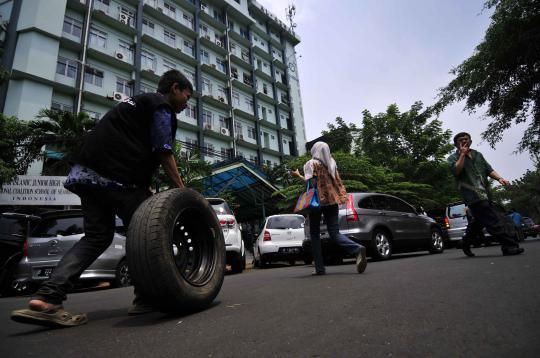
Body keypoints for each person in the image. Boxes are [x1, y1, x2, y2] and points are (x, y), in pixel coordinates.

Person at [11, 70, 193, 327]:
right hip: (116, 178)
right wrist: (182, 189)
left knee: (97, 237)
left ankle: (47, 299)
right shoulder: (160, 106)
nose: (187, 103)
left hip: (87, 175)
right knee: (146, 233)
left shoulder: (136, 102)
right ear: (175, 88)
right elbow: (163, 149)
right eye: (187, 95)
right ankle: (146, 298)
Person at [292, 141, 367, 275]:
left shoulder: (311, 164)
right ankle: (357, 249)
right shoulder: (332, 163)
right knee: (335, 233)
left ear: (315, 151)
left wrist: (298, 176)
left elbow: (310, 184)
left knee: (314, 234)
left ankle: (320, 268)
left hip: (317, 203)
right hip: (332, 201)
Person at [447, 132, 523, 257]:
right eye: (461, 140)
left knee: (478, 223)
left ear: (470, 141)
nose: (464, 141)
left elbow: (488, 169)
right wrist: (462, 154)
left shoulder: (478, 155)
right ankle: (509, 246)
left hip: (485, 194)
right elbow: (456, 170)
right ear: (456, 144)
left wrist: (500, 179)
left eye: (466, 139)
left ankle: (465, 243)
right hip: (472, 195)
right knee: (494, 221)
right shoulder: (452, 157)